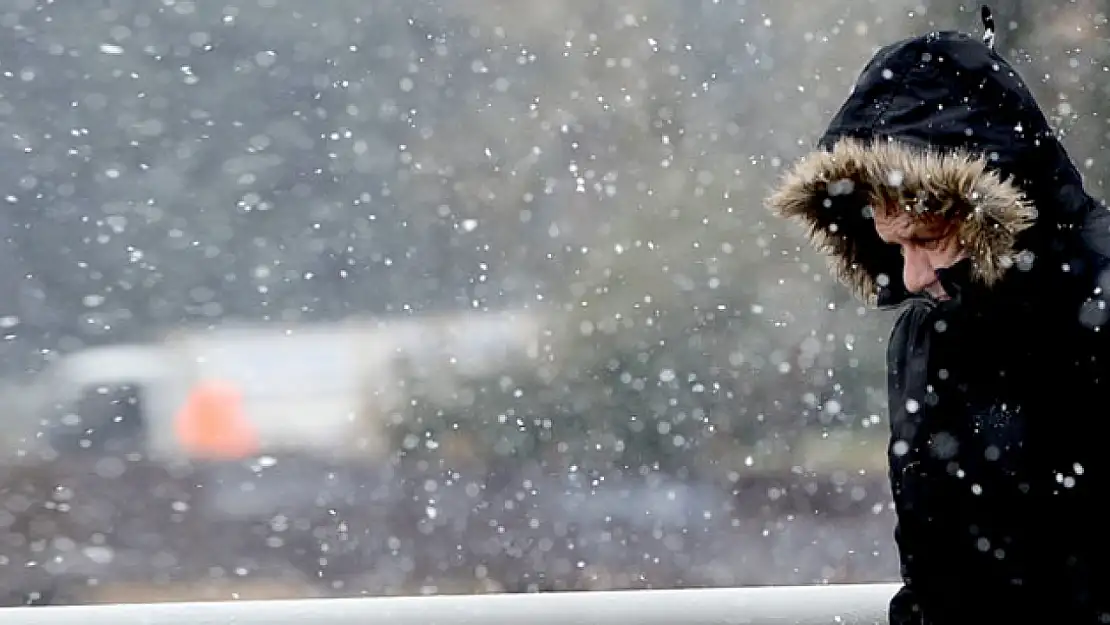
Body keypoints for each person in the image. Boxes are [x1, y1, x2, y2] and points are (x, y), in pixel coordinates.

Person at [767, 7, 1110, 624]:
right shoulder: (928, 335)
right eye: (896, 246)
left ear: (995, 209)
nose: (911, 277)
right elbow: (934, 579)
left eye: (926, 239)